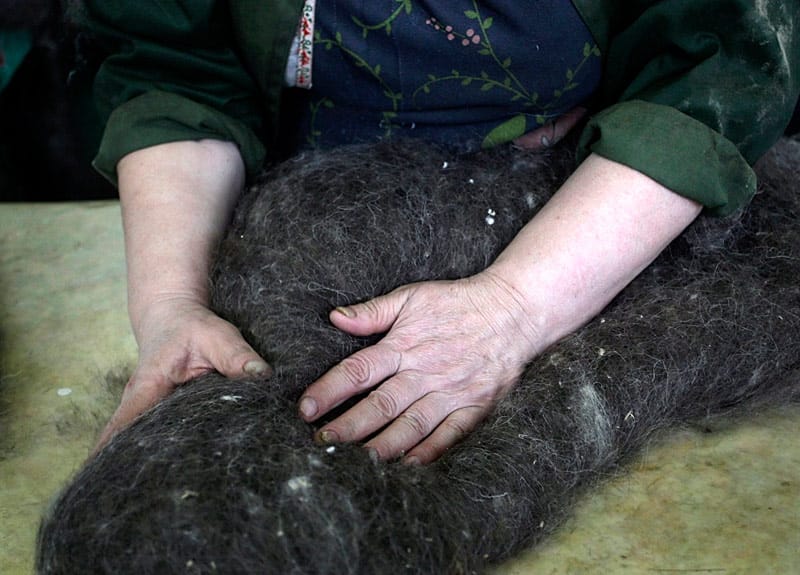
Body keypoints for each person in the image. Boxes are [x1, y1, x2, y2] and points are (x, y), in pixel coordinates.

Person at [82, 1, 799, 464]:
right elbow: (173, 69)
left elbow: (711, 75)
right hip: (292, 209)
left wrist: (515, 306)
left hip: (591, 220)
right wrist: (171, 299)